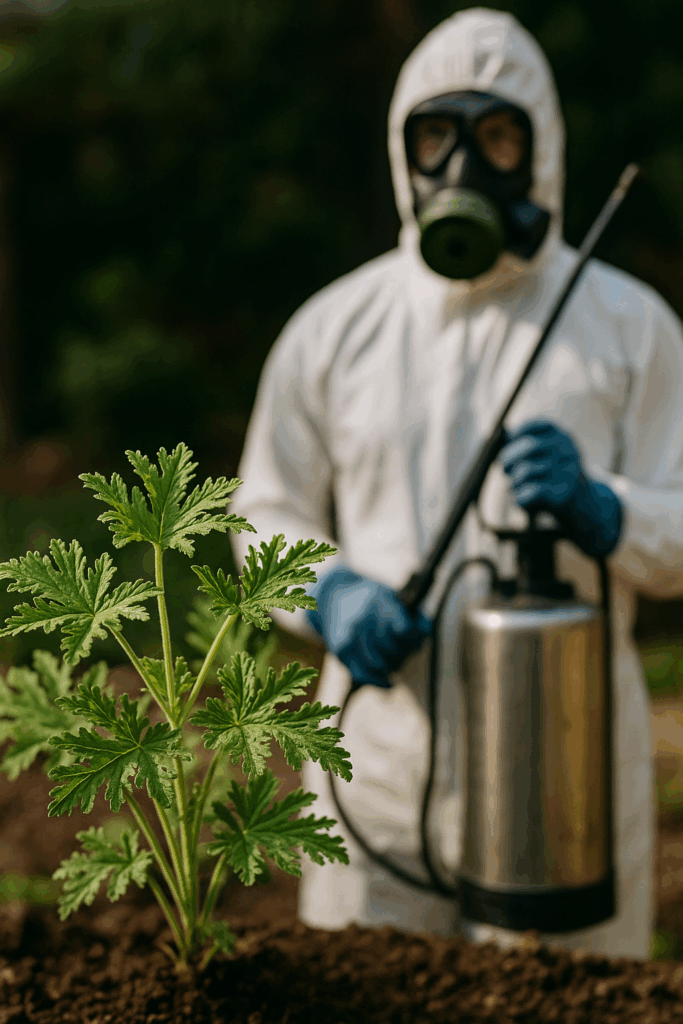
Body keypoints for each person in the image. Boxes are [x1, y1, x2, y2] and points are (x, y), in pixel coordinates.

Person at [231, 8, 683, 960]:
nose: (463, 169)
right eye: (437, 136)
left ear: (542, 148)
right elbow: (261, 511)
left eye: (496, 136)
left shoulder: (627, 326)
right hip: (374, 772)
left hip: (567, 772)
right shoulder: (335, 328)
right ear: (403, 150)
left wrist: (609, 512)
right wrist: (326, 590)